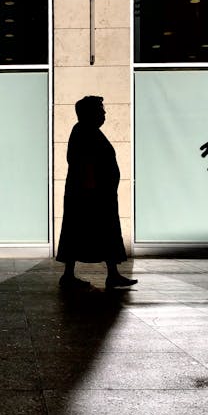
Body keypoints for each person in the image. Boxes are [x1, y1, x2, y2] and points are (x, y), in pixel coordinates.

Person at [56, 95, 138, 289]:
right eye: (101, 110)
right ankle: (78, 276)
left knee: (91, 234)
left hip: (95, 194)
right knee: (91, 233)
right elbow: (86, 164)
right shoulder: (85, 132)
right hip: (92, 196)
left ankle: (110, 274)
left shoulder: (87, 131)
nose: (104, 113)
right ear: (90, 113)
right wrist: (92, 191)